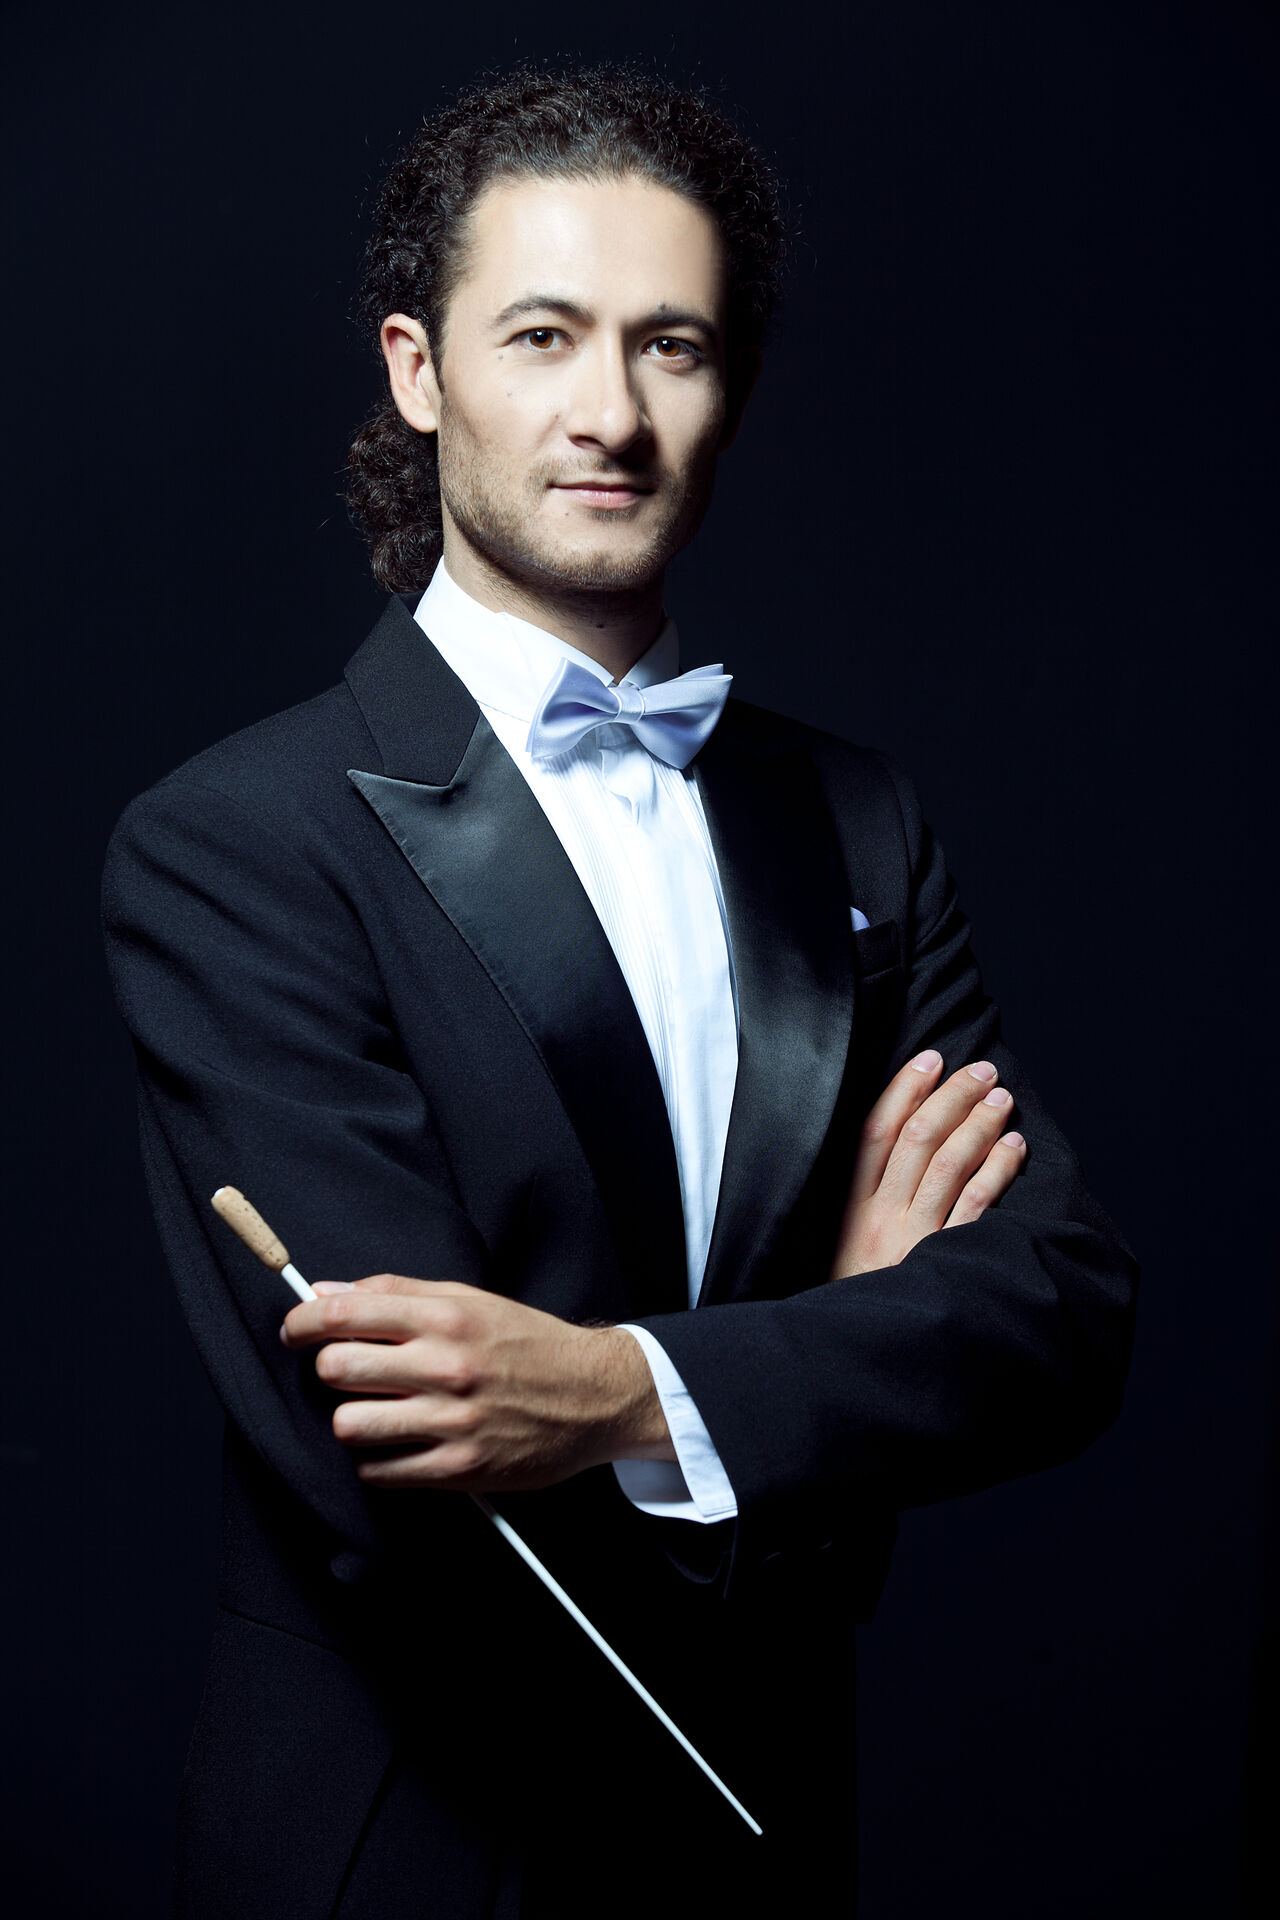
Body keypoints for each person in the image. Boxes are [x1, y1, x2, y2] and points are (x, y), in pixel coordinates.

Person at [102, 63, 1138, 1920]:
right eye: (545, 336)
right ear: (421, 372)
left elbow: (1055, 1314)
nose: (613, 413)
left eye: (673, 345)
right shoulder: (232, 846)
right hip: (407, 1857)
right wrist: (840, 1348)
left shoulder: (859, 819)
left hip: (767, 1842)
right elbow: (417, 1498)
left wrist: (608, 1389)